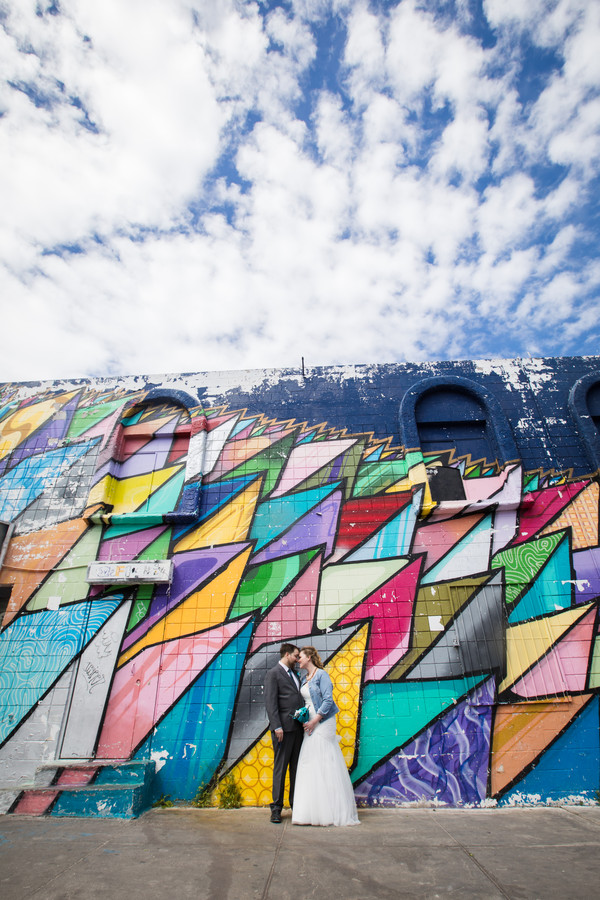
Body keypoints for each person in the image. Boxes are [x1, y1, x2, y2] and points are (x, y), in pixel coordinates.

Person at [292, 646, 360, 827]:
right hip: (310, 723)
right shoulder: (303, 678)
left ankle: (332, 811)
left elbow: (328, 700)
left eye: (301, 657)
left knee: (324, 760)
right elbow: (307, 701)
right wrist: (303, 714)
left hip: (323, 722)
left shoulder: (321, 675)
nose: (298, 659)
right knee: (310, 761)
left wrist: (315, 721)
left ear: (309, 657)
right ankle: (310, 811)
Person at [264, 643, 304, 824]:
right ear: (287, 654)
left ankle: (296, 805)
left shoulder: (295, 674)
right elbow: (271, 703)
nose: (297, 659)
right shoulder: (274, 673)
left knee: (296, 769)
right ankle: (276, 808)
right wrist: (277, 726)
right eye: (295, 656)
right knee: (281, 768)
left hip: (297, 729)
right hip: (282, 730)